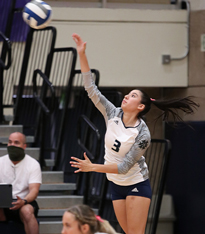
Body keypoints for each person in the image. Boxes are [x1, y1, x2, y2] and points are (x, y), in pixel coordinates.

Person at [71, 33, 199, 234]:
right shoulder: (112, 113)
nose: (126, 97)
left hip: (136, 184)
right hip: (116, 185)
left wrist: (92, 167)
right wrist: (82, 54)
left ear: (140, 106)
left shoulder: (143, 135)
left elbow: (123, 168)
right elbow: (90, 88)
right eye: (128, 94)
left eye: (132, 96)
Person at [0, 132, 42, 234]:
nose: (12, 145)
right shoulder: (1, 162)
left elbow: (34, 191)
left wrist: (24, 201)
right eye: (10, 142)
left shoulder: (33, 164)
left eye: (16, 142)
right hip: (3, 203)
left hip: (24, 202)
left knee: (26, 211)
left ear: (24, 146)